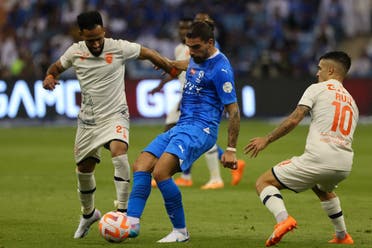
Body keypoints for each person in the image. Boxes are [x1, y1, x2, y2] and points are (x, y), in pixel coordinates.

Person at [42, 10, 178, 239]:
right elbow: (55, 68)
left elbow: (147, 52)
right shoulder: (75, 52)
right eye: (90, 39)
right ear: (81, 35)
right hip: (88, 120)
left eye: (98, 38)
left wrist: (168, 67)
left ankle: (122, 212)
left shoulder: (118, 47)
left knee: (119, 149)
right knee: (84, 169)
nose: (95, 44)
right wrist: (50, 77)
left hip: (116, 114)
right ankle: (88, 214)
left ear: (104, 31)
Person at [126, 21, 240, 242]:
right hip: (183, 125)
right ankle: (130, 223)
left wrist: (231, 149)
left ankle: (180, 232)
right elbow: (191, 64)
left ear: (210, 43)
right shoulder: (197, 58)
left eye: (196, 47)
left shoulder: (222, 69)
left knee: (160, 173)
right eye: (189, 46)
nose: (192, 51)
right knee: (141, 164)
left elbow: (233, 112)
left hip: (201, 129)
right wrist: (171, 64)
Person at [244, 51, 358, 247]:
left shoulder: (317, 89)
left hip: (319, 159)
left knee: (263, 182)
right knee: (321, 187)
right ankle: (342, 235)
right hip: (344, 164)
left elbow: (295, 118)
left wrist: (267, 139)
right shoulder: (352, 102)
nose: (317, 73)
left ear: (330, 70)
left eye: (320, 68)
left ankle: (283, 220)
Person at [150, 14, 245, 190]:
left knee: (196, 135)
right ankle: (184, 175)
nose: (183, 31)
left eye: (186, 27)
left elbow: (206, 67)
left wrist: (232, 149)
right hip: (187, 97)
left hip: (201, 100)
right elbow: (186, 65)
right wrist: (169, 65)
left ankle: (208, 177)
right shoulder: (184, 48)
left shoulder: (214, 55)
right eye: (181, 28)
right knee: (180, 133)